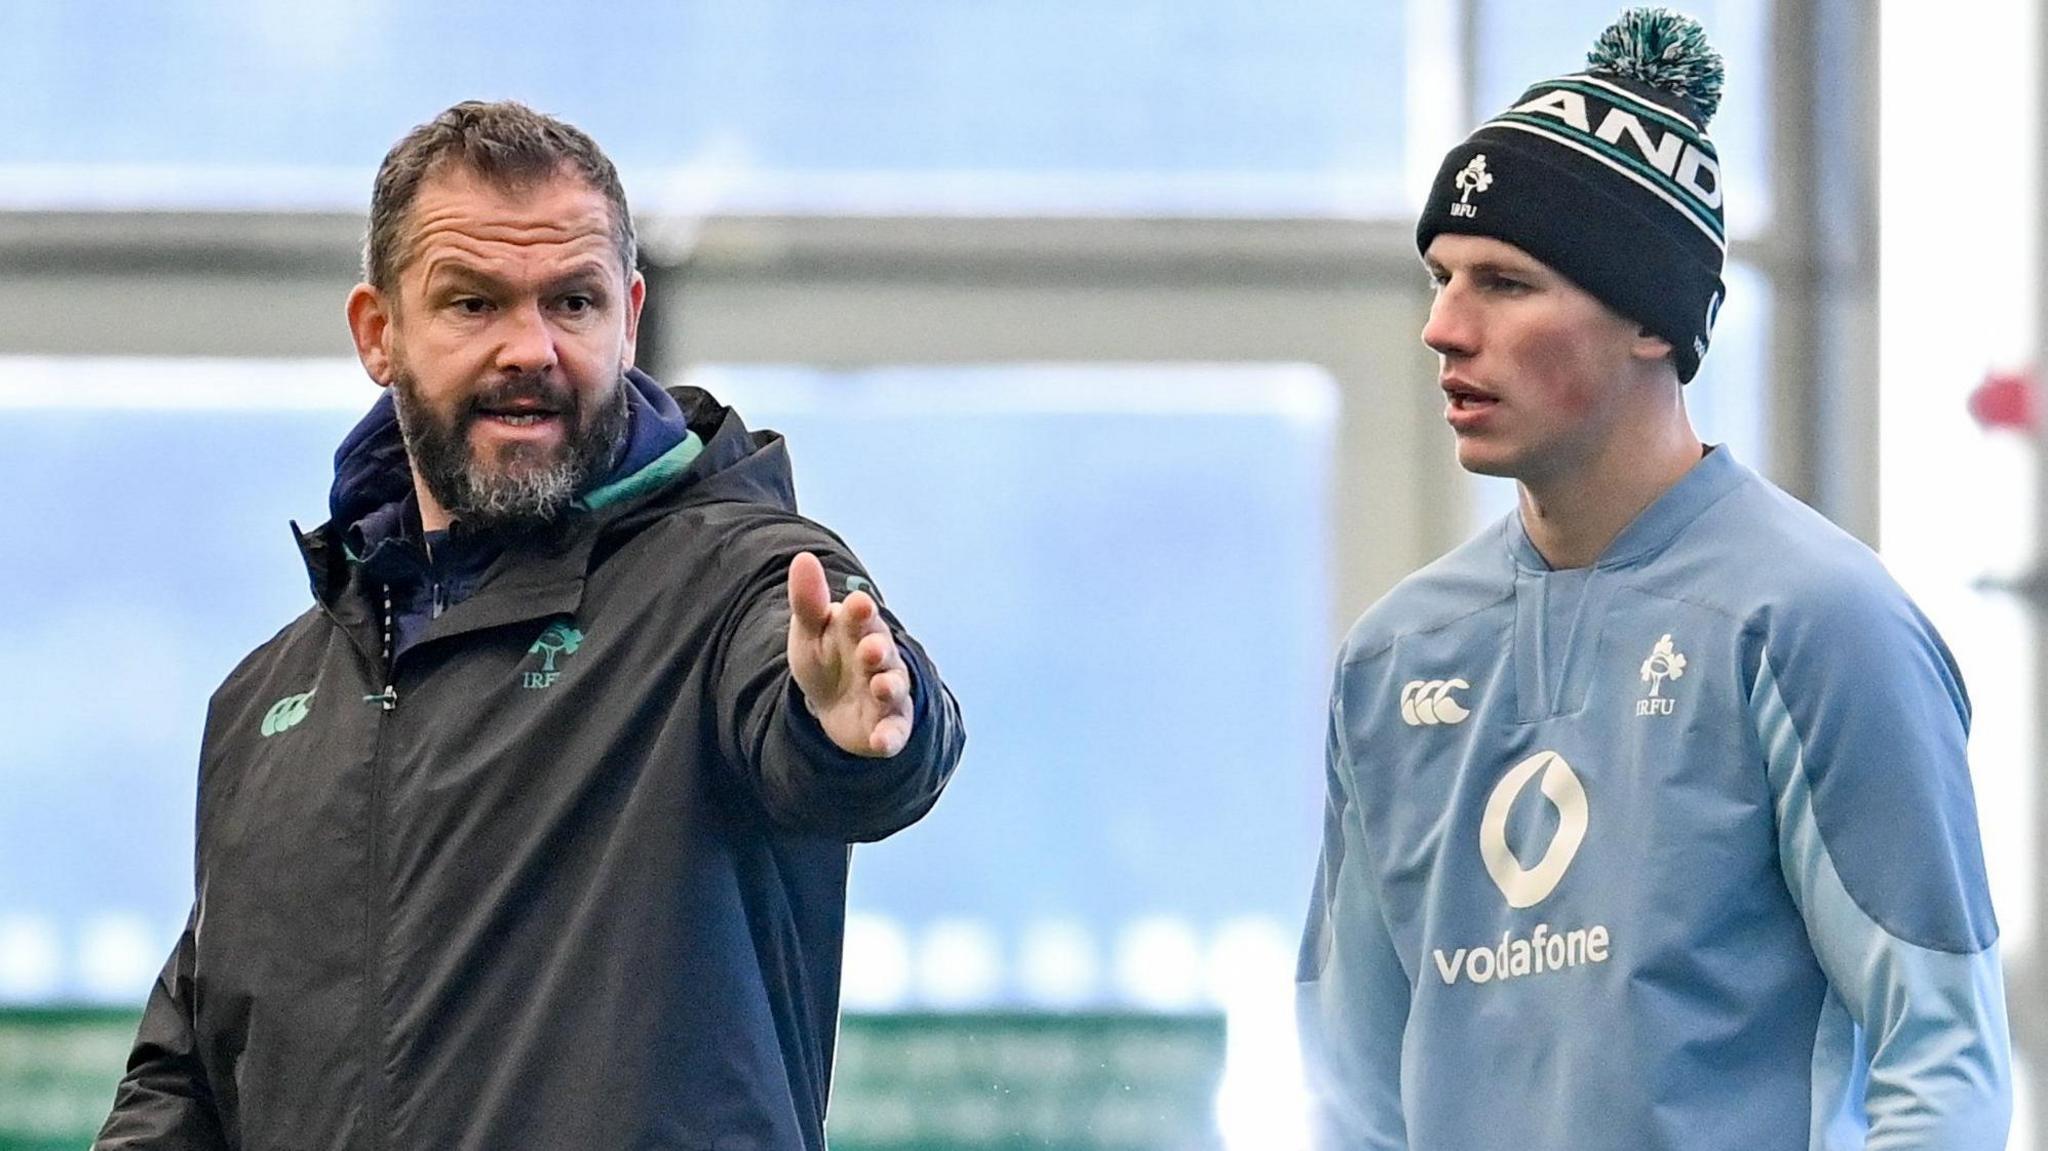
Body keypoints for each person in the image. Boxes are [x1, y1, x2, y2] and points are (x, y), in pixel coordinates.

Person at [94, 100, 965, 1151]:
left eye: (573, 301)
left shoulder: (737, 580)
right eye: (473, 304)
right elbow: (191, 1066)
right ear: (379, 333)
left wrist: (855, 725)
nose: (532, 347)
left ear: (628, 316)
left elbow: (840, 741)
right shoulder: (266, 702)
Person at [1295, 10, 2009, 1148]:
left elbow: (1941, 1064)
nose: (1441, 326)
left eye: (1503, 283)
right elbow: (1351, 1092)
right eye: (1440, 278)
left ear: (1645, 318)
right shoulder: (1394, 658)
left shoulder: (1817, 623)